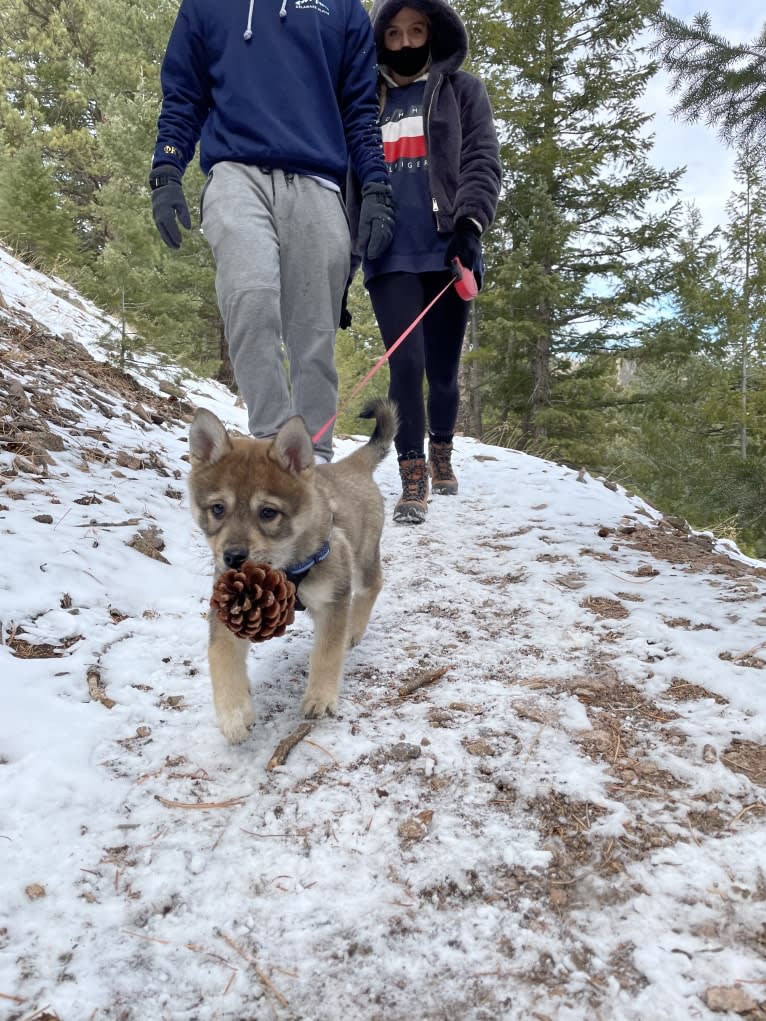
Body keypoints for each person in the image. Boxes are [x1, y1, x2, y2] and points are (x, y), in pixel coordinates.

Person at [148, 0, 395, 463]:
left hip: (319, 178)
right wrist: (167, 167)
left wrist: (376, 185)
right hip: (235, 170)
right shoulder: (204, 6)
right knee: (251, 298)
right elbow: (184, 93)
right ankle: (270, 443)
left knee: (313, 331)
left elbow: (360, 111)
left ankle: (312, 458)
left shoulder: (344, 9)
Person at [348, 0, 501, 521]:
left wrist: (470, 227)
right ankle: (412, 478)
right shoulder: (364, 100)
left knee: (442, 371)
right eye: (393, 33)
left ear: (434, 32)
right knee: (404, 363)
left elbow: (482, 160)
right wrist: (343, 268)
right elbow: (350, 187)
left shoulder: (463, 91)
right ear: (380, 40)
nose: (406, 41)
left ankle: (442, 453)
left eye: (416, 30)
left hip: (447, 250)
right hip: (388, 256)